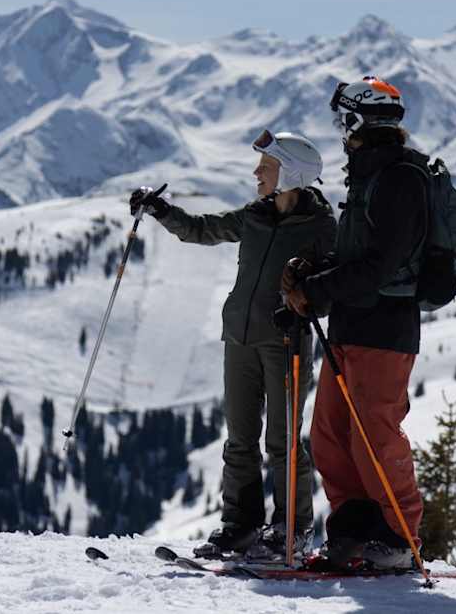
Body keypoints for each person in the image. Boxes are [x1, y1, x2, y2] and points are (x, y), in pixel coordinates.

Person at [130, 130, 335, 558]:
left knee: (282, 442)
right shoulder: (255, 215)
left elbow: (334, 284)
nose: (256, 173)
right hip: (240, 339)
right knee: (240, 438)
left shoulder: (322, 228)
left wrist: (305, 301)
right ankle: (240, 524)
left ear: (291, 173)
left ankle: (291, 530)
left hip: (286, 343)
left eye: (267, 166)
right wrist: (161, 210)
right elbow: (203, 230)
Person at [281, 76, 428, 570]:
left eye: (341, 119)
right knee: (332, 435)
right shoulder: (367, 176)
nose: (339, 129)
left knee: (374, 437)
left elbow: (379, 267)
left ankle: (399, 540)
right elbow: (357, 258)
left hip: (384, 331)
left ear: (355, 121)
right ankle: (354, 533)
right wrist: (312, 276)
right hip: (350, 327)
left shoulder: (400, 179)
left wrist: (317, 291)